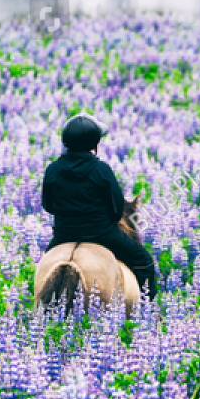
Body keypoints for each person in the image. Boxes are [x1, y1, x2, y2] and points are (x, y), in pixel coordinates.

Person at [41, 114, 158, 299]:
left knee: (44, 266)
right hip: (102, 234)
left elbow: (47, 205)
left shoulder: (52, 169)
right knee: (142, 260)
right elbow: (117, 208)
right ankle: (150, 312)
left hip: (64, 234)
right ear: (94, 144)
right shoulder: (101, 170)